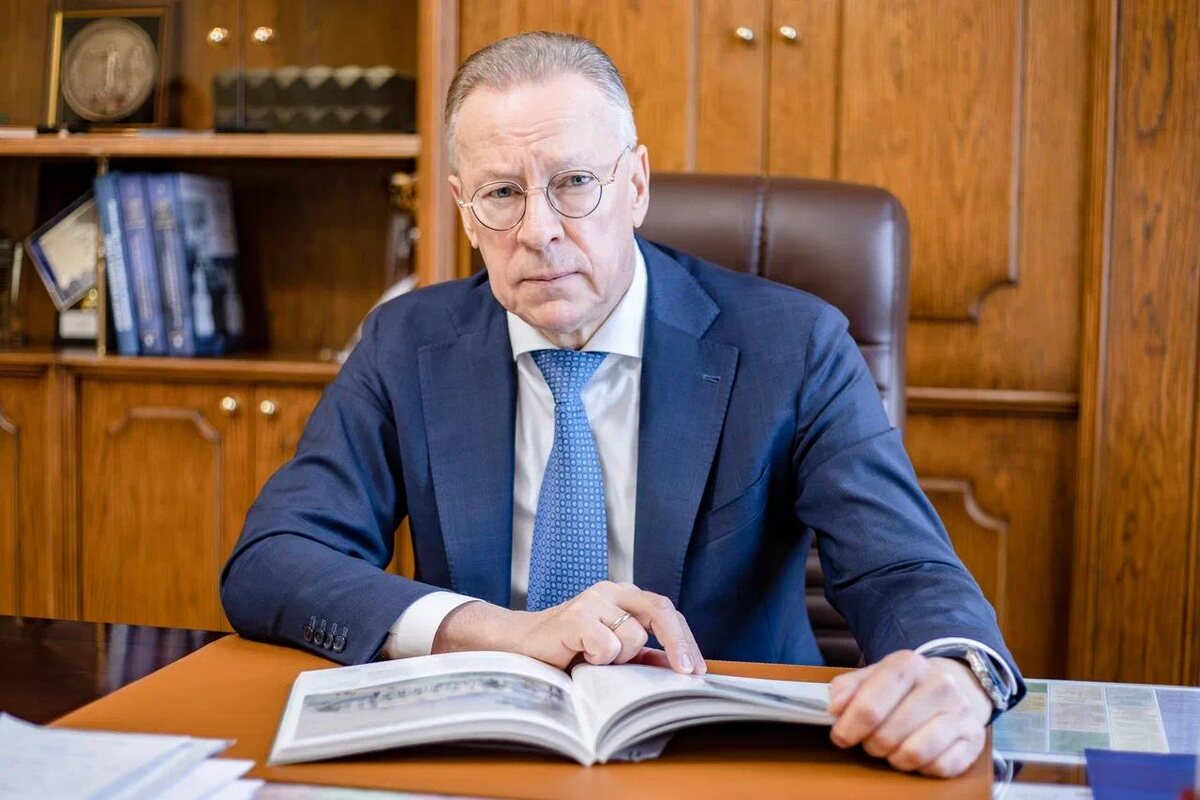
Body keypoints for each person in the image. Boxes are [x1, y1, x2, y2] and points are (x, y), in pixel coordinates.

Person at [221, 31, 1025, 778]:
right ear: (465, 210)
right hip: (483, 755)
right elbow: (273, 559)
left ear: (635, 186)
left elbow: (905, 566)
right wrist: (505, 633)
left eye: (574, 183)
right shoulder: (405, 343)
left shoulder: (793, 345)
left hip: (725, 762)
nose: (538, 230)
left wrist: (956, 672)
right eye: (502, 193)